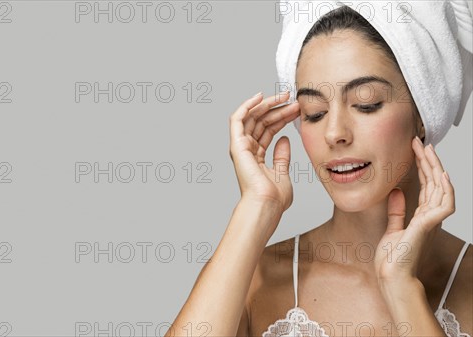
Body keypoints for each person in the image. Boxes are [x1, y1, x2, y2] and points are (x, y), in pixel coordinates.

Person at [165, 4, 472, 337]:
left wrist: (401, 289)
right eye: (314, 112)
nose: (334, 133)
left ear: (423, 113)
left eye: (366, 104)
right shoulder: (255, 281)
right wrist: (257, 207)